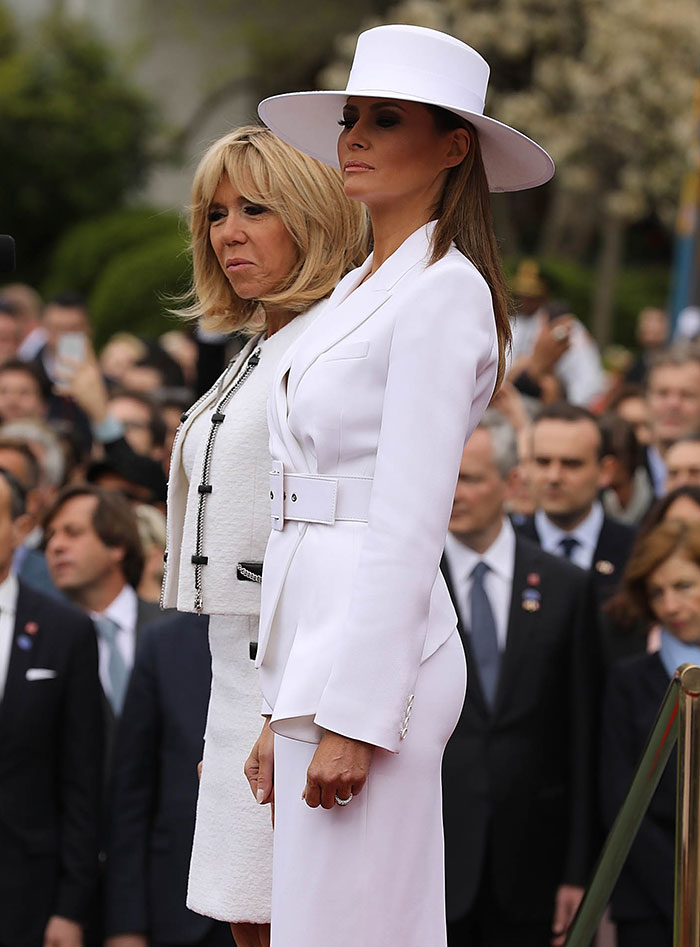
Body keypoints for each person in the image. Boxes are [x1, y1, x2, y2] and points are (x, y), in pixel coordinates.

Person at [249, 23, 553, 946]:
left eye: (387, 120)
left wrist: (357, 716)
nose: (355, 138)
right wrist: (279, 703)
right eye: (351, 119)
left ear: (454, 146)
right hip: (314, 638)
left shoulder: (445, 291)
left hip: (380, 659)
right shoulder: (356, 288)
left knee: (356, 927)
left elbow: (411, 519)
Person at [162, 125, 369, 947]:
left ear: (315, 215)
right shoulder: (262, 343)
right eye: (216, 213)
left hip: (295, 667)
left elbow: (347, 539)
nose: (229, 232)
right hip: (238, 663)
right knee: (249, 916)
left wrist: (297, 706)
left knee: (299, 922)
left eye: (256, 208)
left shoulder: (331, 347)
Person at [441, 415, 601, 947]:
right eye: (445, 476)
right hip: (431, 860)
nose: (453, 493)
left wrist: (579, 870)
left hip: (533, 865)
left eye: (470, 478)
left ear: (512, 485)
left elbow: (582, 738)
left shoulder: (565, 588)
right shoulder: (410, 582)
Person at [0, 467, 103, 947]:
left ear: (20, 528)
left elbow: (82, 778)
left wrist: (70, 907)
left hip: (27, 894)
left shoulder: (64, 629)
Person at [104, 612, 232, 947]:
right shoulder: (163, 643)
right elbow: (131, 794)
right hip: (179, 912)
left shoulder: (310, 628)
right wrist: (126, 924)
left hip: (285, 907)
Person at [601, 519, 700, 946]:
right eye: (658, 592)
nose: (671, 605)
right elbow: (621, 800)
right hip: (649, 902)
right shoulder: (628, 680)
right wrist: (685, 893)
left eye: (684, 585)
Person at [645, 346, 700, 495]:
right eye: (663, 393)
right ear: (646, 399)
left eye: (687, 395)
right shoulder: (621, 474)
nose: (673, 404)